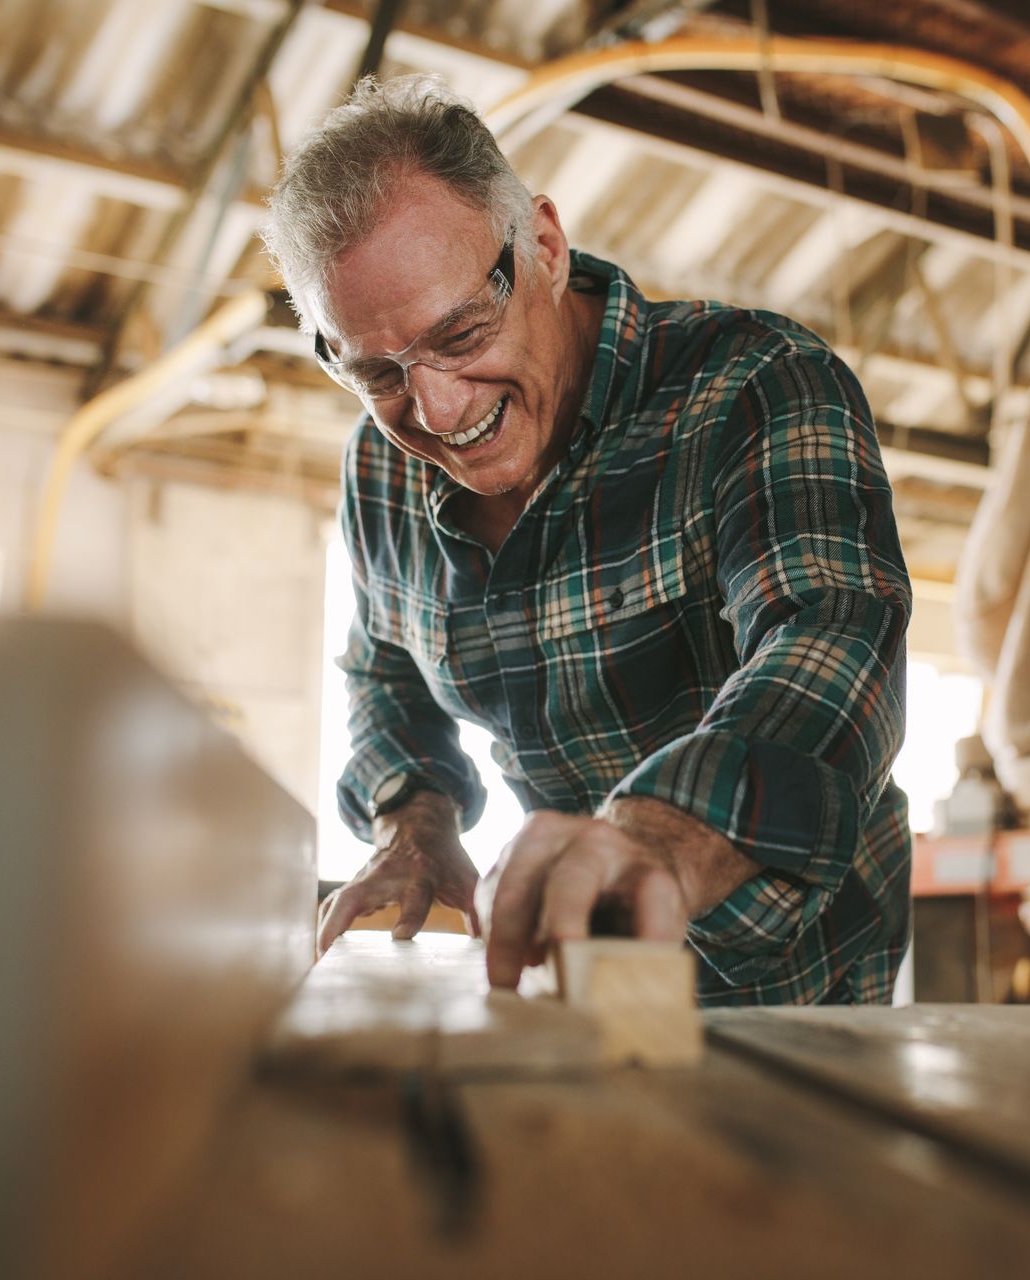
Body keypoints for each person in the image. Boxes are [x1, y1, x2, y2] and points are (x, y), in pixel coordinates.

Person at [263, 74, 913, 1005]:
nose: (438, 410)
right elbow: (385, 676)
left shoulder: (757, 385)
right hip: (574, 977)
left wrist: (657, 838)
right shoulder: (380, 467)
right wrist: (414, 820)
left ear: (546, 247)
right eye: (378, 372)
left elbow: (833, 634)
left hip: (794, 982)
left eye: (462, 330)